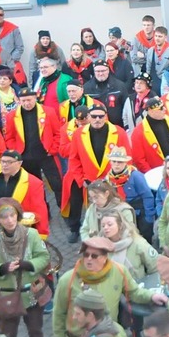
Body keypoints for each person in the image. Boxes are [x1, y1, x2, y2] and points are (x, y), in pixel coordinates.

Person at [52, 237, 168, 337]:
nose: (88, 259)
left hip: (105, 336)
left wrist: (151, 296)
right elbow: (58, 313)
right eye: (86, 254)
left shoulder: (119, 271)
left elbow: (134, 292)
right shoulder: (68, 279)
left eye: (94, 256)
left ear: (104, 257)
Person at [63, 103, 131, 242]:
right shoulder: (78, 134)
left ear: (106, 116)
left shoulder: (118, 132)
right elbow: (74, 159)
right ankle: (79, 231)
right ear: (88, 117)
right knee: (86, 208)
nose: (97, 119)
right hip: (89, 180)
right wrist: (81, 179)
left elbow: (127, 157)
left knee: (113, 209)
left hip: (112, 181)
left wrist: (118, 178)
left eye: (101, 116)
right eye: (94, 116)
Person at [0, 198, 50, 337]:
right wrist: (3, 268)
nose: (10, 220)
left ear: (18, 215)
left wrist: (28, 265)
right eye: (4, 217)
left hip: (32, 294)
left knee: (35, 331)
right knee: (7, 334)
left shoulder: (32, 235)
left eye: (12, 215)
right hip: (7, 295)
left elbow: (44, 257)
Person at [5, 87, 62, 212]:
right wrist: (16, 152)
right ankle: (43, 211)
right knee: (35, 188)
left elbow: (58, 133)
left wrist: (53, 149)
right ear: (19, 101)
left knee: (57, 184)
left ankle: (64, 210)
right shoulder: (12, 116)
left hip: (46, 155)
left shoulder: (48, 112)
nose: (27, 103)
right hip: (25, 158)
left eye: (29, 100)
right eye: (23, 100)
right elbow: (9, 137)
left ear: (35, 98)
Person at [105, 146, 156, 243]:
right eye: (114, 161)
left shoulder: (135, 176)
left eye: (119, 162)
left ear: (125, 162)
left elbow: (147, 196)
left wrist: (149, 217)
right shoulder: (108, 179)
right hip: (121, 212)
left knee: (144, 238)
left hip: (139, 212)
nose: (116, 165)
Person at [131, 97, 169, 173]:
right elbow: (139, 159)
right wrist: (151, 174)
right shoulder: (138, 132)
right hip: (157, 172)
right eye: (161, 108)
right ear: (151, 111)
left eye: (164, 106)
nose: (164, 110)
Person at [83, 59, 129, 127]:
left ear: (108, 70)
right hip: (94, 127)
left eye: (103, 71)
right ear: (94, 72)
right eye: (98, 71)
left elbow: (126, 107)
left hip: (116, 126)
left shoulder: (119, 86)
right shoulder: (86, 88)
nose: (101, 73)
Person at [145, 26, 169, 94]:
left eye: (160, 36)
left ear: (165, 37)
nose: (157, 38)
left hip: (166, 84)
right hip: (153, 84)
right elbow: (148, 69)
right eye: (156, 36)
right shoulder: (150, 51)